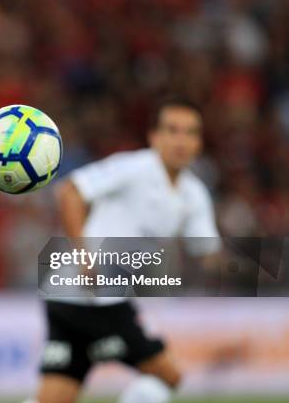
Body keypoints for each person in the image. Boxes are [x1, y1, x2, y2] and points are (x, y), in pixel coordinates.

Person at [35, 98, 220, 403]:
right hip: (94, 296)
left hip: (69, 297)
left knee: (55, 397)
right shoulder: (134, 168)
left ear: (199, 142)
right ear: (154, 136)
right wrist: (84, 256)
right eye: (172, 130)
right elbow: (69, 191)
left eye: (190, 132)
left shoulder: (194, 193)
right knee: (167, 375)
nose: (181, 140)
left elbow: (207, 252)